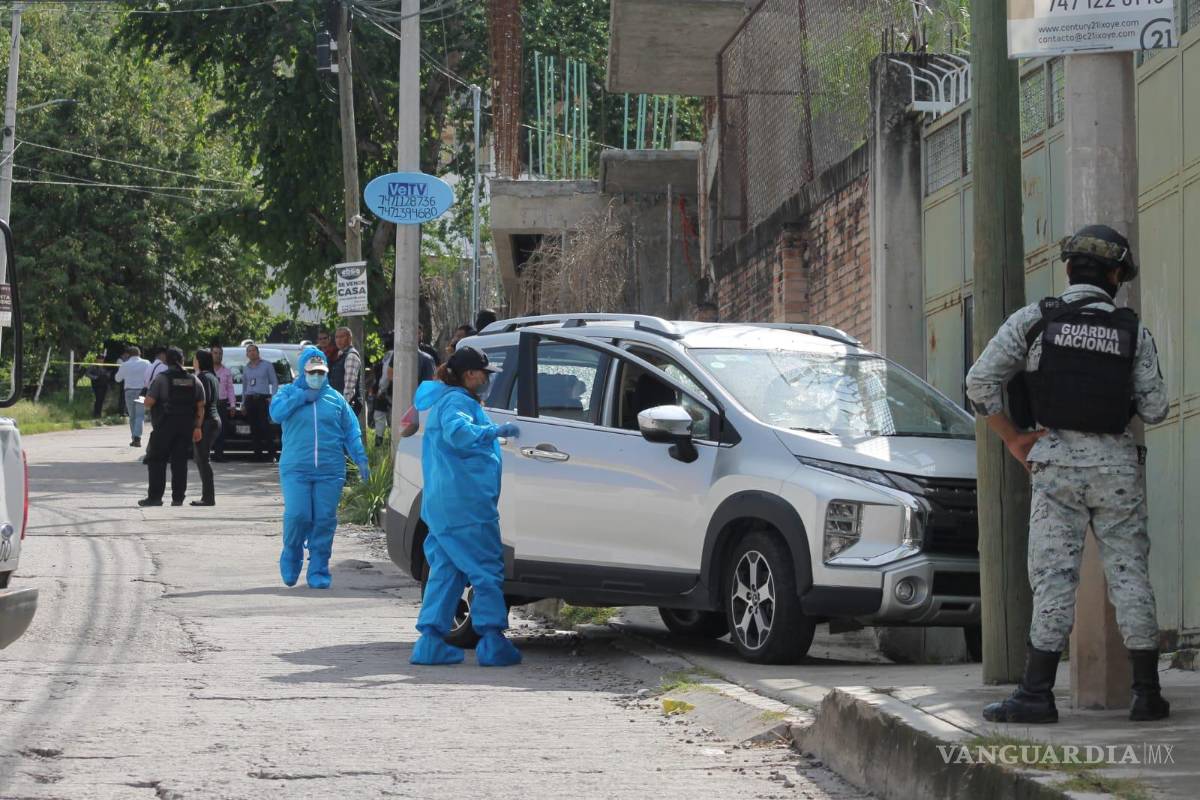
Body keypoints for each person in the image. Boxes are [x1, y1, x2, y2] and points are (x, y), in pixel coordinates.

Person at [965, 225, 1170, 724]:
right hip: (1117, 469)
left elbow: (979, 384)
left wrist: (1013, 438)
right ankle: (1146, 694)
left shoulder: (1035, 320)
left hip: (1054, 465)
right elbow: (1157, 407)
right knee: (1131, 576)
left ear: (1068, 268)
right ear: (1116, 275)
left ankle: (1036, 694)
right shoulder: (1132, 331)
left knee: (1054, 578)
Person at [410, 345, 521, 667]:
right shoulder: (458, 402)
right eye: (485, 374)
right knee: (486, 570)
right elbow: (459, 434)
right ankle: (492, 642)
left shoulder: (447, 400)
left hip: (444, 504)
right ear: (470, 374)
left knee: (446, 571)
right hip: (467, 505)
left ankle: (430, 642)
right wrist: (492, 431)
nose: (487, 379)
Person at [269, 347, 369, 589]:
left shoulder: (336, 400)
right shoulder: (287, 392)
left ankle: (319, 568)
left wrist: (361, 458)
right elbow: (276, 414)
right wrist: (301, 397)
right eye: (312, 372)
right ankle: (292, 554)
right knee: (297, 515)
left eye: (321, 372)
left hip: (330, 470)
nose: (317, 376)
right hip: (296, 469)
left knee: (324, 520)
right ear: (303, 371)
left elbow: (351, 432)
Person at [139, 347, 205, 508]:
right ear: (183, 360)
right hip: (185, 427)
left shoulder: (161, 379)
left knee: (156, 461)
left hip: (164, 426)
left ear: (166, 361)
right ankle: (178, 498)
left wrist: (145, 400)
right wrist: (198, 427)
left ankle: (155, 497)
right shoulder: (194, 380)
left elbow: (149, 403)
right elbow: (201, 406)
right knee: (180, 463)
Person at [191, 349, 222, 506]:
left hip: (207, 421)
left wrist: (197, 425)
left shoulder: (203, 377)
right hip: (214, 420)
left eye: (195, 359)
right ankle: (207, 496)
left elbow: (203, 403)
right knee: (200, 458)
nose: (193, 361)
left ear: (200, 361)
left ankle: (208, 497)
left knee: (203, 459)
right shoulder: (212, 376)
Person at [241, 343, 279, 462]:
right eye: (249, 351)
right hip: (250, 399)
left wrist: (273, 397)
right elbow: (245, 387)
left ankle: (271, 454)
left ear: (258, 352)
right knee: (254, 427)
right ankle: (257, 454)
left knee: (265, 427)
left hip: (263, 399)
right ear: (247, 354)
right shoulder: (246, 368)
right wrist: (243, 403)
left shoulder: (267, 365)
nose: (252, 353)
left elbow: (274, 382)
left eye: (254, 350)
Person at [115, 346, 149, 447]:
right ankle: (137, 437)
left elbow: (117, 379)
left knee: (132, 416)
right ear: (139, 354)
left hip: (129, 392)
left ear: (128, 355)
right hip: (141, 391)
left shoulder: (125, 364)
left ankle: (134, 438)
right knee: (140, 415)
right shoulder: (146, 363)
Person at [329, 326, 363, 415]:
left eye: (342, 337)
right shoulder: (341, 354)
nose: (338, 340)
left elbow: (349, 386)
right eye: (336, 337)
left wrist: (343, 407)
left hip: (346, 405)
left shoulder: (351, 356)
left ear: (349, 338)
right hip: (339, 403)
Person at [210, 344, 235, 462]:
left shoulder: (226, 371)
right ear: (211, 354)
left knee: (221, 429)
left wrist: (233, 405)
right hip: (209, 403)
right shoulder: (206, 371)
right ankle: (204, 455)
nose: (218, 356)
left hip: (221, 403)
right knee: (207, 429)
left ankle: (219, 454)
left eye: (220, 353)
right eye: (215, 353)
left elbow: (230, 389)